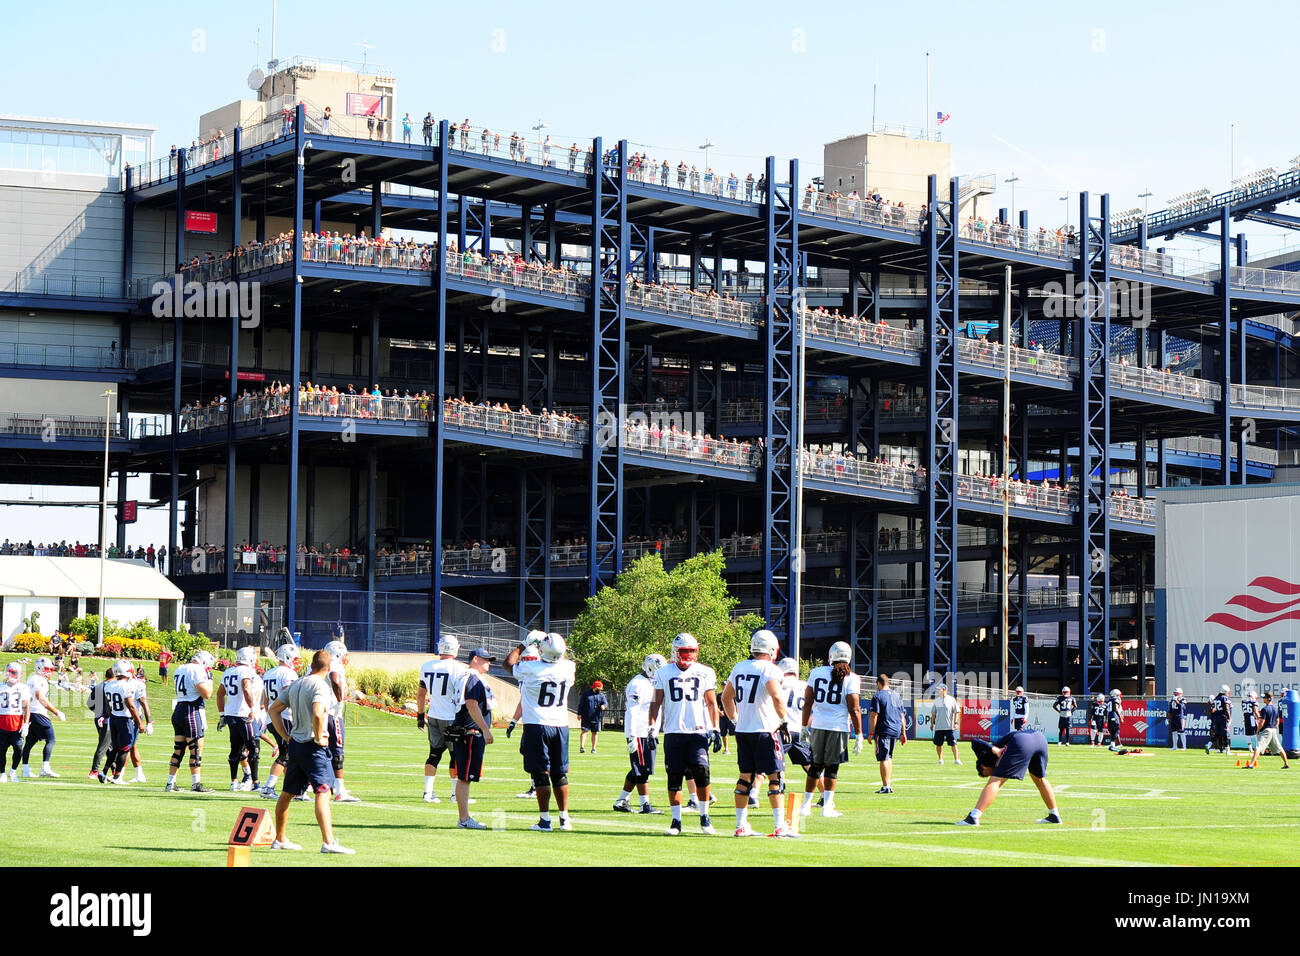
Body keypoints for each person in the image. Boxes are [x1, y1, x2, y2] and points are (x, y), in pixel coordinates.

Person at [269, 650, 355, 854]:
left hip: (296, 744)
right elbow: (318, 713)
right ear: (328, 667)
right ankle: (329, 842)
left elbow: (274, 710)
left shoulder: (297, 683)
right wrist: (318, 737)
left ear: (312, 665)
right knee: (323, 791)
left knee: (287, 793)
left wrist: (285, 735)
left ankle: (280, 839)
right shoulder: (321, 686)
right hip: (312, 746)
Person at [721, 629, 793, 838]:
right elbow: (777, 697)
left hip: (744, 731)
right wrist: (784, 721)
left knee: (745, 777)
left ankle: (740, 825)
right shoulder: (770, 669)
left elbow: (726, 698)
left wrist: (735, 719)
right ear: (771, 648)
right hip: (766, 730)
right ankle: (780, 826)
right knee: (775, 777)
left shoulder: (739, 667)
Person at [504, 631, 576, 832]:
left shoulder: (531, 668)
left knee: (540, 774)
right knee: (559, 774)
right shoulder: (569, 668)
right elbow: (560, 655)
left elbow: (508, 664)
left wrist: (524, 644)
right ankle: (565, 819)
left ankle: (545, 821)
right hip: (561, 725)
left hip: (537, 724)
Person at [649, 635, 719, 836]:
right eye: (684, 651)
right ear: (675, 651)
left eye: (691, 651)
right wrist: (652, 728)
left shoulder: (705, 672)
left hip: (697, 732)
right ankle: (676, 821)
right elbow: (656, 703)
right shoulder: (663, 673)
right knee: (674, 777)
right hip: (673, 732)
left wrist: (715, 728)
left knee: (702, 773)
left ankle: (704, 816)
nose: (688, 655)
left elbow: (712, 703)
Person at [799, 641, 862, 818]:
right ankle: (827, 807)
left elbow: (808, 703)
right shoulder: (852, 678)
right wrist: (859, 734)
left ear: (831, 655)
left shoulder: (816, 672)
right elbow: (855, 709)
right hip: (838, 727)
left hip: (818, 725)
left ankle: (805, 805)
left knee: (815, 767)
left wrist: (804, 725)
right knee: (832, 769)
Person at [956, 727, 1062, 826]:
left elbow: (975, 741)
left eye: (987, 774)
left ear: (983, 767)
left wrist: (995, 750)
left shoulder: (984, 756)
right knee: (1039, 779)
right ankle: (1054, 815)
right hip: (1039, 738)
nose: (991, 774)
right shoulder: (990, 762)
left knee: (995, 781)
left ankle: (974, 817)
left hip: (1021, 741)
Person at [416, 634, 468, 803]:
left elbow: (421, 693)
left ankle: (427, 793)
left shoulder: (427, 666)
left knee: (434, 754)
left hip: (434, 715)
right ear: (455, 648)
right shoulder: (459, 668)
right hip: (452, 717)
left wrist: (419, 715)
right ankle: (455, 795)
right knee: (456, 755)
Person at [614, 653, 667, 815]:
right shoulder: (638, 683)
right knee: (642, 769)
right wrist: (631, 735)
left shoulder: (651, 682)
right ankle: (645, 805)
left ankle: (622, 800)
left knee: (639, 768)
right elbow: (633, 710)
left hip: (648, 732)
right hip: (639, 732)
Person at [449, 648, 496, 829]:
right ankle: (464, 818)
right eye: (485, 659)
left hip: (467, 731)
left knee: (465, 776)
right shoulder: (472, 677)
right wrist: (485, 729)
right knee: (465, 777)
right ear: (475, 659)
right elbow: (471, 704)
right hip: (470, 732)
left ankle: (465, 817)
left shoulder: (467, 676)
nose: (489, 662)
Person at [165, 650, 215, 793]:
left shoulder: (180, 668)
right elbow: (207, 694)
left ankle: (170, 783)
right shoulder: (197, 669)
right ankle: (196, 784)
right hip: (191, 710)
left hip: (179, 709)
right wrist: (210, 679)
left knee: (178, 749)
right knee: (196, 749)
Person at [217, 646, 263, 792]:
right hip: (244, 714)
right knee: (253, 748)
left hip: (231, 714)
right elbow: (246, 688)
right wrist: (253, 708)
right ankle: (255, 783)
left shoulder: (228, 671)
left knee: (235, 748)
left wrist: (222, 714)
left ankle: (234, 782)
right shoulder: (246, 671)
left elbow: (219, 694)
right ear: (250, 658)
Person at [259, 643, 301, 798]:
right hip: (284, 717)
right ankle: (268, 787)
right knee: (286, 755)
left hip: (272, 717)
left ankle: (295, 789)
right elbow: (289, 696)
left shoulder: (269, 673)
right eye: (294, 658)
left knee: (288, 754)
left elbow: (265, 700)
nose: (296, 662)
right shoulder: (288, 674)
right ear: (287, 657)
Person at [324, 640, 359, 802]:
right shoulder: (335, 665)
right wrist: (339, 699)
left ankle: (315, 786)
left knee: (319, 750)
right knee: (337, 752)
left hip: (318, 712)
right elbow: (335, 679)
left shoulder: (315, 665)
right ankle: (340, 790)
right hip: (332, 713)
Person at [20, 657, 65, 778]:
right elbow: (40, 697)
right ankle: (45, 767)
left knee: (30, 741)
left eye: (50, 669)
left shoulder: (31, 678)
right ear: (39, 668)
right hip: (38, 712)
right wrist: (56, 711)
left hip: (30, 712)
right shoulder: (39, 679)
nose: (50, 671)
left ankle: (25, 769)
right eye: (47, 669)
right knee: (51, 740)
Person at [99, 660, 142, 785]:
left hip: (114, 718)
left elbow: (108, 705)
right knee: (125, 748)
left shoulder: (108, 685)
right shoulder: (126, 685)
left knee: (116, 748)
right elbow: (131, 706)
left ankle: (104, 771)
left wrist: (109, 716)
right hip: (124, 719)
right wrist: (139, 723)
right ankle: (117, 777)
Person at [868, 673, 906, 793]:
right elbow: (902, 715)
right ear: (888, 683)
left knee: (883, 758)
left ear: (879, 683)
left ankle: (885, 787)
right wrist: (903, 732)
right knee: (889, 756)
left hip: (883, 730)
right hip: (896, 729)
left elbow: (874, 716)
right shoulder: (897, 696)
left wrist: (870, 733)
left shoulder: (878, 696)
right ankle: (888, 783)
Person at [0, 662, 31, 782]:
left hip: (17, 722)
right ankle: (2, 773)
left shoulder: (24, 688)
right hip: (2, 721)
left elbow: (26, 707)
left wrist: (26, 723)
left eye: (14, 672)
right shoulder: (1, 686)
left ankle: (13, 771)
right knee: (1, 750)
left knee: (18, 749)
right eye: (10, 672)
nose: (11, 674)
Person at [1246, 693, 1290, 769]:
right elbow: (1277, 721)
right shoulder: (1275, 709)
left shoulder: (1264, 709)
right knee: (1279, 748)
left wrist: (1258, 730)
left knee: (1258, 747)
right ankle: (1286, 764)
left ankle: (1251, 764)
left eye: (1265, 698)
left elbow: (1262, 722)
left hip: (1266, 730)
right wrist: (1274, 727)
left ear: (1268, 699)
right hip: (1273, 730)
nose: (1263, 699)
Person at [86, 666, 114, 780]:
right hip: (107, 719)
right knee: (104, 745)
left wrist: (98, 712)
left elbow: (89, 703)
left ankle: (114, 769)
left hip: (98, 718)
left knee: (110, 746)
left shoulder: (98, 686)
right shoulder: (111, 686)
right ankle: (94, 770)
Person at [931, 683, 962, 764]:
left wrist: (955, 723)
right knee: (938, 744)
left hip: (950, 727)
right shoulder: (937, 700)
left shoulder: (951, 700)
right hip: (939, 727)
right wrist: (931, 724)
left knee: (954, 744)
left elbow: (957, 712)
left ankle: (956, 759)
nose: (938, 691)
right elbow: (933, 713)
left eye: (939, 689)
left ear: (944, 690)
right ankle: (940, 759)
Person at [577, 680, 608, 753]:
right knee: (584, 731)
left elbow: (605, 703)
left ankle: (593, 749)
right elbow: (581, 704)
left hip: (596, 717)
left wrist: (604, 706)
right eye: (599, 688)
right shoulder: (586, 694)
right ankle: (582, 747)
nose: (600, 690)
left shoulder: (601, 695)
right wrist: (579, 714)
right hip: (586, 716)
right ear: (595, 687)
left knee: (595, 732)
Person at [1208, 685, 1232, 754]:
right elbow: (1226, 708)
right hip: (1222, 717)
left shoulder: (1216, 698)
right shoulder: (1224, 698)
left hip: (1216, 718)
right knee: (1225, 734)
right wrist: (1228, 718)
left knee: (1217, 734)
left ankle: (1209, 745)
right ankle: (1228, 751)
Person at [1241, 691, 1260, 762]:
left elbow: (1244, 711)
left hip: (1246, 718)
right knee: (1255, 732)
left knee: (1248, 733)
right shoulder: (1253, 702)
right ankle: (1256, 747)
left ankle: (1250, 748)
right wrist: (1259, 718)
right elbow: (1255, 711)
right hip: (1252, 718)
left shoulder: (1243, 701)